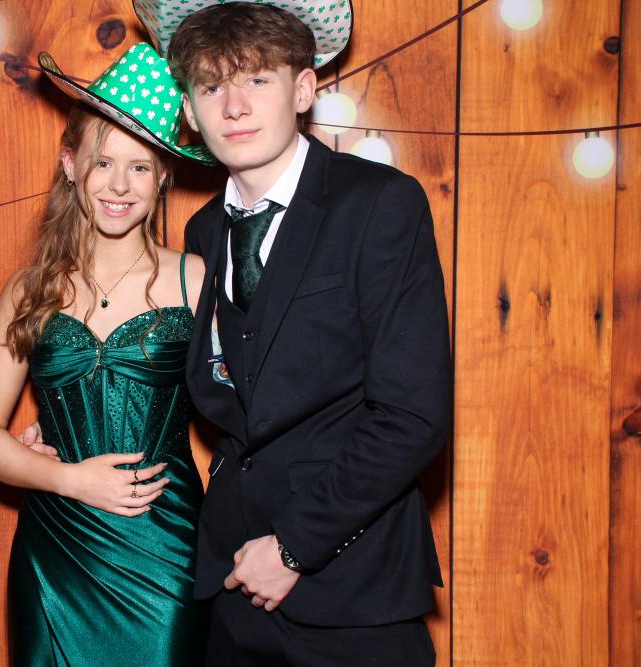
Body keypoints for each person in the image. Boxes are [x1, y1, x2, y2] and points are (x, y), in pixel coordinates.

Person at [142, 1, 451, 664]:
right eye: (212, 87)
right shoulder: (203, 232)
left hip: (352, 592)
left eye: (258, 79)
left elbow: (412, 416)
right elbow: (222, 385)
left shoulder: (379, 202)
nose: (235, 107)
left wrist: (291, 548)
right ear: (190, 111)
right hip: (230, 587)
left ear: (304, 89)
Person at [0, 42, 214, 666]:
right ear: (70, 164)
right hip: (56, 550)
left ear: (163, 176)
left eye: (140, 166)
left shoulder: (197, 278)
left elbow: (252, 411)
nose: (119, 185)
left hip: (164, 550)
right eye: (103, 162)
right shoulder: (30, 290)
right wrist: (67, 478)